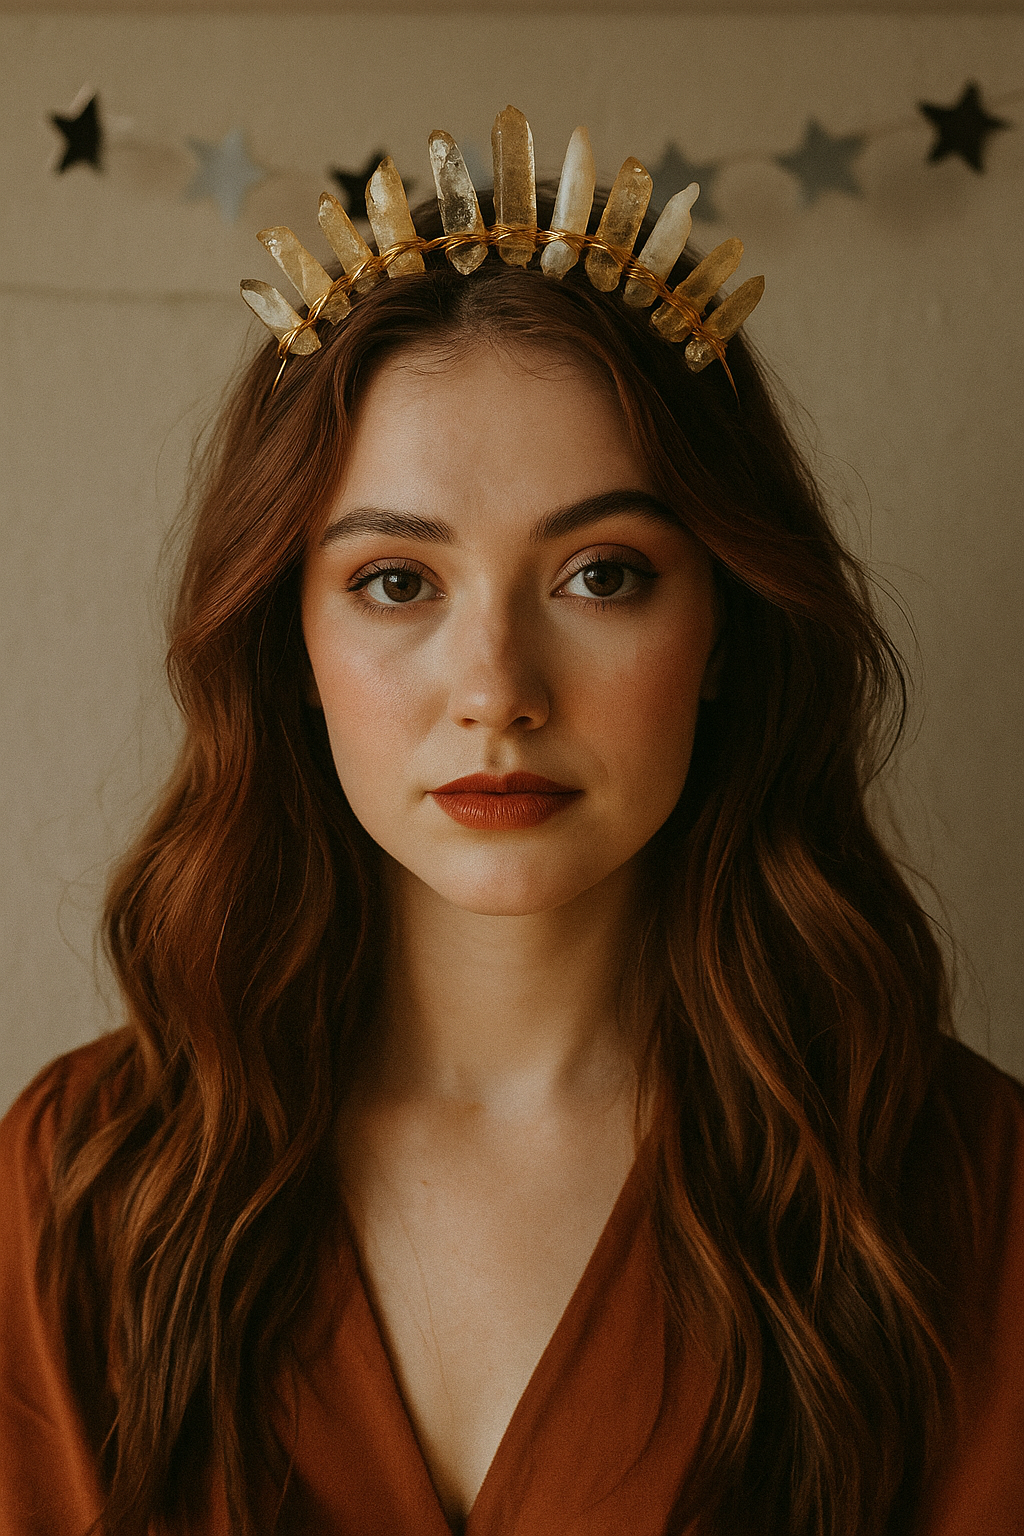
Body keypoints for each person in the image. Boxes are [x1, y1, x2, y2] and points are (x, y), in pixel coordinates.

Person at [1, 115, 1022, 1536]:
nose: (496, 692)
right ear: (285, 636)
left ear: (722, 625)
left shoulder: (955, 1190)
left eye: (601, 574)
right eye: (397, 583)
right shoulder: (86, 1184)